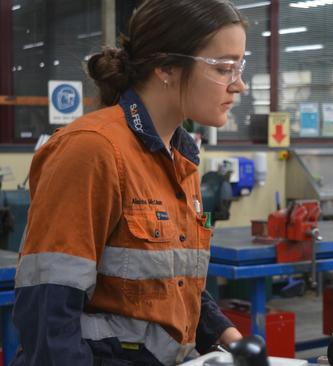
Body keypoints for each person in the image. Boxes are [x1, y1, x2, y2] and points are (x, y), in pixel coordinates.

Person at [11, 0, 247, 364]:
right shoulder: (93, 149)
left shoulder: (181, 160)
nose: (239, 85)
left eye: (240, 67)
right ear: (166, 65)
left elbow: (174, 284)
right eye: (224, 68)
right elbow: (48, 311)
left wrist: (227, 336)